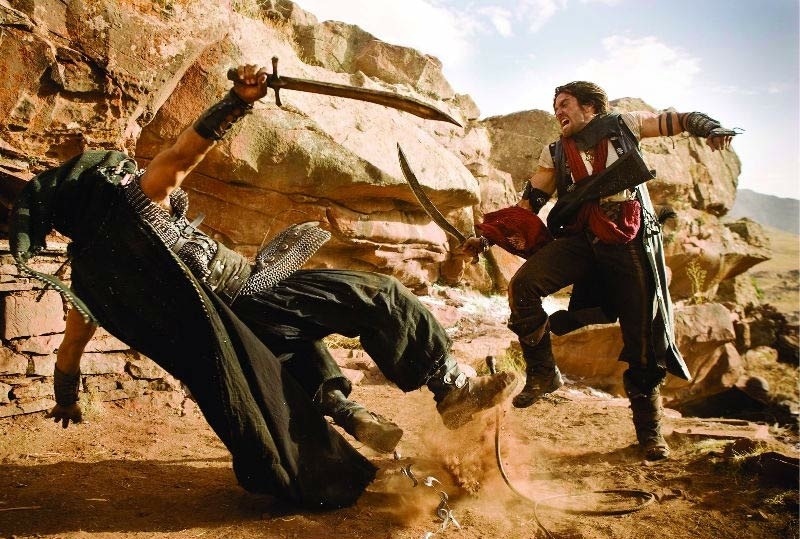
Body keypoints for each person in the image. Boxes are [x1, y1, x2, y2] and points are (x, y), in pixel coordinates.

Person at [10, 64, 517, 507]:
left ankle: (345, 411)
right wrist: (238, 100)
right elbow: (183, 155)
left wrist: (67, 399)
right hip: (249, 292)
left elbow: (71, 348)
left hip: (226, 336)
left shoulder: (92, 276)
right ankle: (451, 389)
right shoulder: (139, 200)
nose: (123, 171)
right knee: (378, 295)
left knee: (291, 351)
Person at [461, 81, 736, 460]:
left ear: (589, 106)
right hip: (582, 239)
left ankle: (650, 435)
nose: (558, 111)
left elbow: (676, 120)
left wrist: (710, 127)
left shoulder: (624, 125)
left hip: (631, 240)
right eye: (555, 106)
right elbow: (529, 203)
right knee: (524, 285)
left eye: (565, 103)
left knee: (642, 338)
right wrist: (486, 238)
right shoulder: (555, 152)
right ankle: (543, 373)